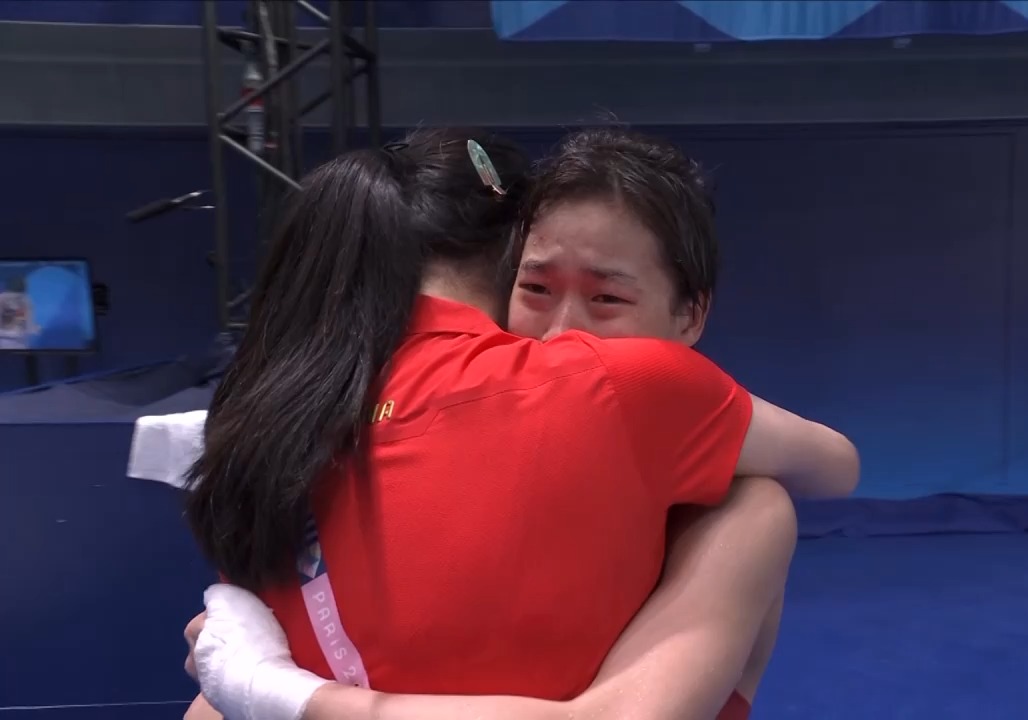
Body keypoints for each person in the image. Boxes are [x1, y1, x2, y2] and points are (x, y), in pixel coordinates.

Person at [184, 127, 860, 719]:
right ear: (506, 270)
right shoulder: (604, 391)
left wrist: (273, 692)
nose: (564, 332)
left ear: (691, 314)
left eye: (607, 298)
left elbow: (223, 676)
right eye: (536, 289)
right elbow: (834, 464)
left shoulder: (291, 413)